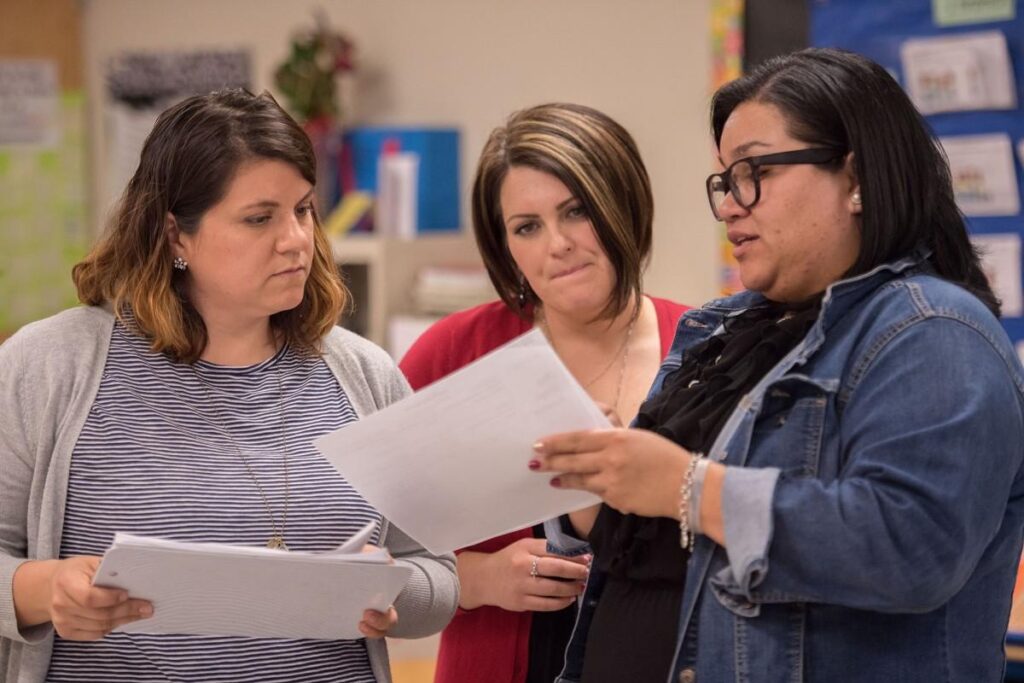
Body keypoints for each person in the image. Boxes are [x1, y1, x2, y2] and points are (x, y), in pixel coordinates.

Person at [533, 48, 1024, 683]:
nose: (730, 205)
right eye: (725, 181)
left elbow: (910, 549)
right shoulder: (722, 329)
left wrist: (688, 486)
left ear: (856, 178)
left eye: (755, 171)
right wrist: (599, 482)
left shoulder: (934, 331)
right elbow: (668, 554)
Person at [0, 89, 457, 683]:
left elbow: (438, 573)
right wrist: (42, 589)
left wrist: (390, 591)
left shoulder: (366, 375)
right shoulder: (48, 366)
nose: (295, 239)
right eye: (259, 218)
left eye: (303, 209)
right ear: (175, 236)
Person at [399, 102, 689, 683]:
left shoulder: (706, 346)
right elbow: (360, 552)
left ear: (623, 204)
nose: (557, 244)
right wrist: (476, 580)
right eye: (526, 227)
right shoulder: (453, 352)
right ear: (505, 245)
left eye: (576, 211)